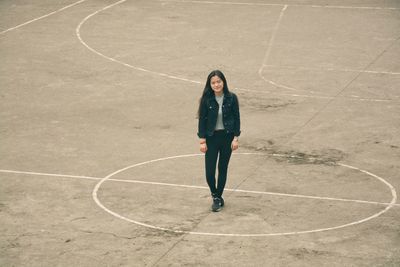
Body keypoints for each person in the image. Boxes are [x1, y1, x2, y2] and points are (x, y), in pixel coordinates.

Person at [197, 70, 241, 212]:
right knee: (209, 172)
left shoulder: (232, 98)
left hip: (227, 137)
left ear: (224, 82)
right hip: (211, 138)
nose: (216, 85)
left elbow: (237, 118)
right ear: (210, 85)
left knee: (222, 169)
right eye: (213, 82)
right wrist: (202, 141)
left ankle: (217, 198)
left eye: (219, 82)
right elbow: (202, 121)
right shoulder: (206, 100)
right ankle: (215, 194)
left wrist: (236, 138)